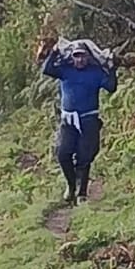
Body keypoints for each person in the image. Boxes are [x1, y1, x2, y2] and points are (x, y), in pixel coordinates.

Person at [41, 39, 117, 205]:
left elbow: (111, 87)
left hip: (88, 119)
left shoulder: (95, 73)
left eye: (83, 56)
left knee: (85, 156)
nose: (80, 59)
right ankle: (71, 184)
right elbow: (47, 69)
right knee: (63, 154)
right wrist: (53, 51)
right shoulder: (65, 71)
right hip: (68, 120)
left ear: (88, 57)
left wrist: (112, 69)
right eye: (77, 56)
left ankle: (82, 193)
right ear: (72, 57)